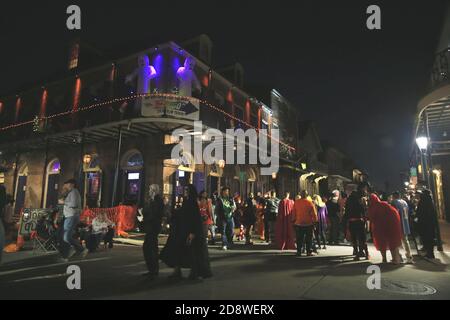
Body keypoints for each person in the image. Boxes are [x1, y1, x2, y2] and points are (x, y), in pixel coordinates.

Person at [160, 184, 212, 280]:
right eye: (185, 190)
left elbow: (194, 218)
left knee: (193, 254)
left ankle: (194, 273)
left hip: (189, 232)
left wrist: (193, 232)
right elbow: (183, 215)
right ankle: (177, 271)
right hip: (182, 231)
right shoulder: (186, 201)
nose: (185, 191)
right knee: (178, 251)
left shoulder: (192, 203)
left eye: (187, 190)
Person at [368, 193, 403, 264]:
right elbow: (394, 212)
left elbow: (371, 217)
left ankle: (385, 259)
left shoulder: (373, 207)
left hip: (380, 227)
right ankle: (396, 258)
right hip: (392, 225)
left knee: (381, 242)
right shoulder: (384, 204)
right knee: (392, 241)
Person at [60, 179, 87, 261]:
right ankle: (69, 254)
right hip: (69, 216)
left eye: (67, 184)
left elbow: (74, 204)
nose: (66, 186)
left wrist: (63, 202)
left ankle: (80, 249)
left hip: (71, 216)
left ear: (72, 184)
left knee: (66, 237)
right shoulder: (71, 193)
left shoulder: (74, 192)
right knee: (66, 236)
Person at [343, 183, 369, 261]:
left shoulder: (349, 199)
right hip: (359, 220)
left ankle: (357, 254)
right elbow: (363, 210)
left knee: (354, 238)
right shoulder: (361, 199)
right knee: (362, 238)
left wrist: (346, 221)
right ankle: (366, 254)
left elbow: (346, 211)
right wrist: (365, 220)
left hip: (351, 220)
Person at [142, 184, 164, 278]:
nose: (149, 191)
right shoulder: (153, 200)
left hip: (153, 227)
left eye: (150, 189)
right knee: (149, 247)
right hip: (151, 226)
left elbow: (155, 214)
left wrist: (144, 217)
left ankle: (153, 270)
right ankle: (152, 269)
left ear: (154, 190)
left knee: (150, 248)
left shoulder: (157, 201)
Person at [292, 190, 318, 256]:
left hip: (299, 223)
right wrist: (315, 221)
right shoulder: (310, 203)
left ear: (301, 195)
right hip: (308, 223)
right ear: (307, 195)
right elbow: (314, 214)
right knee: (309, 238)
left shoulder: (296, 202)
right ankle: (309, 251)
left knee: (299, 238)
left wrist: (293, 220)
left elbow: (294, 212)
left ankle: (299, 251)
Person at [391, 191, 413, 263]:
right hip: (405, 223)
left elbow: (393, 214)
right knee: (405, 240)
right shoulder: (404, 202)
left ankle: (398, 257)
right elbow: (407, 213)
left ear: (394, 196)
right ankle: (409, 256)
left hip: (397, 224)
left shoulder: (394, 202)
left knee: (395, 241)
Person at [415, 189, 437, 259]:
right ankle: (430, 253)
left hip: (424, 223)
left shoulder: (423, 201)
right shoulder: (430, 201)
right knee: (430, 238)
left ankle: (429, 253)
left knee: (426, 238)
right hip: (430, 223)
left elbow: (419, 212)